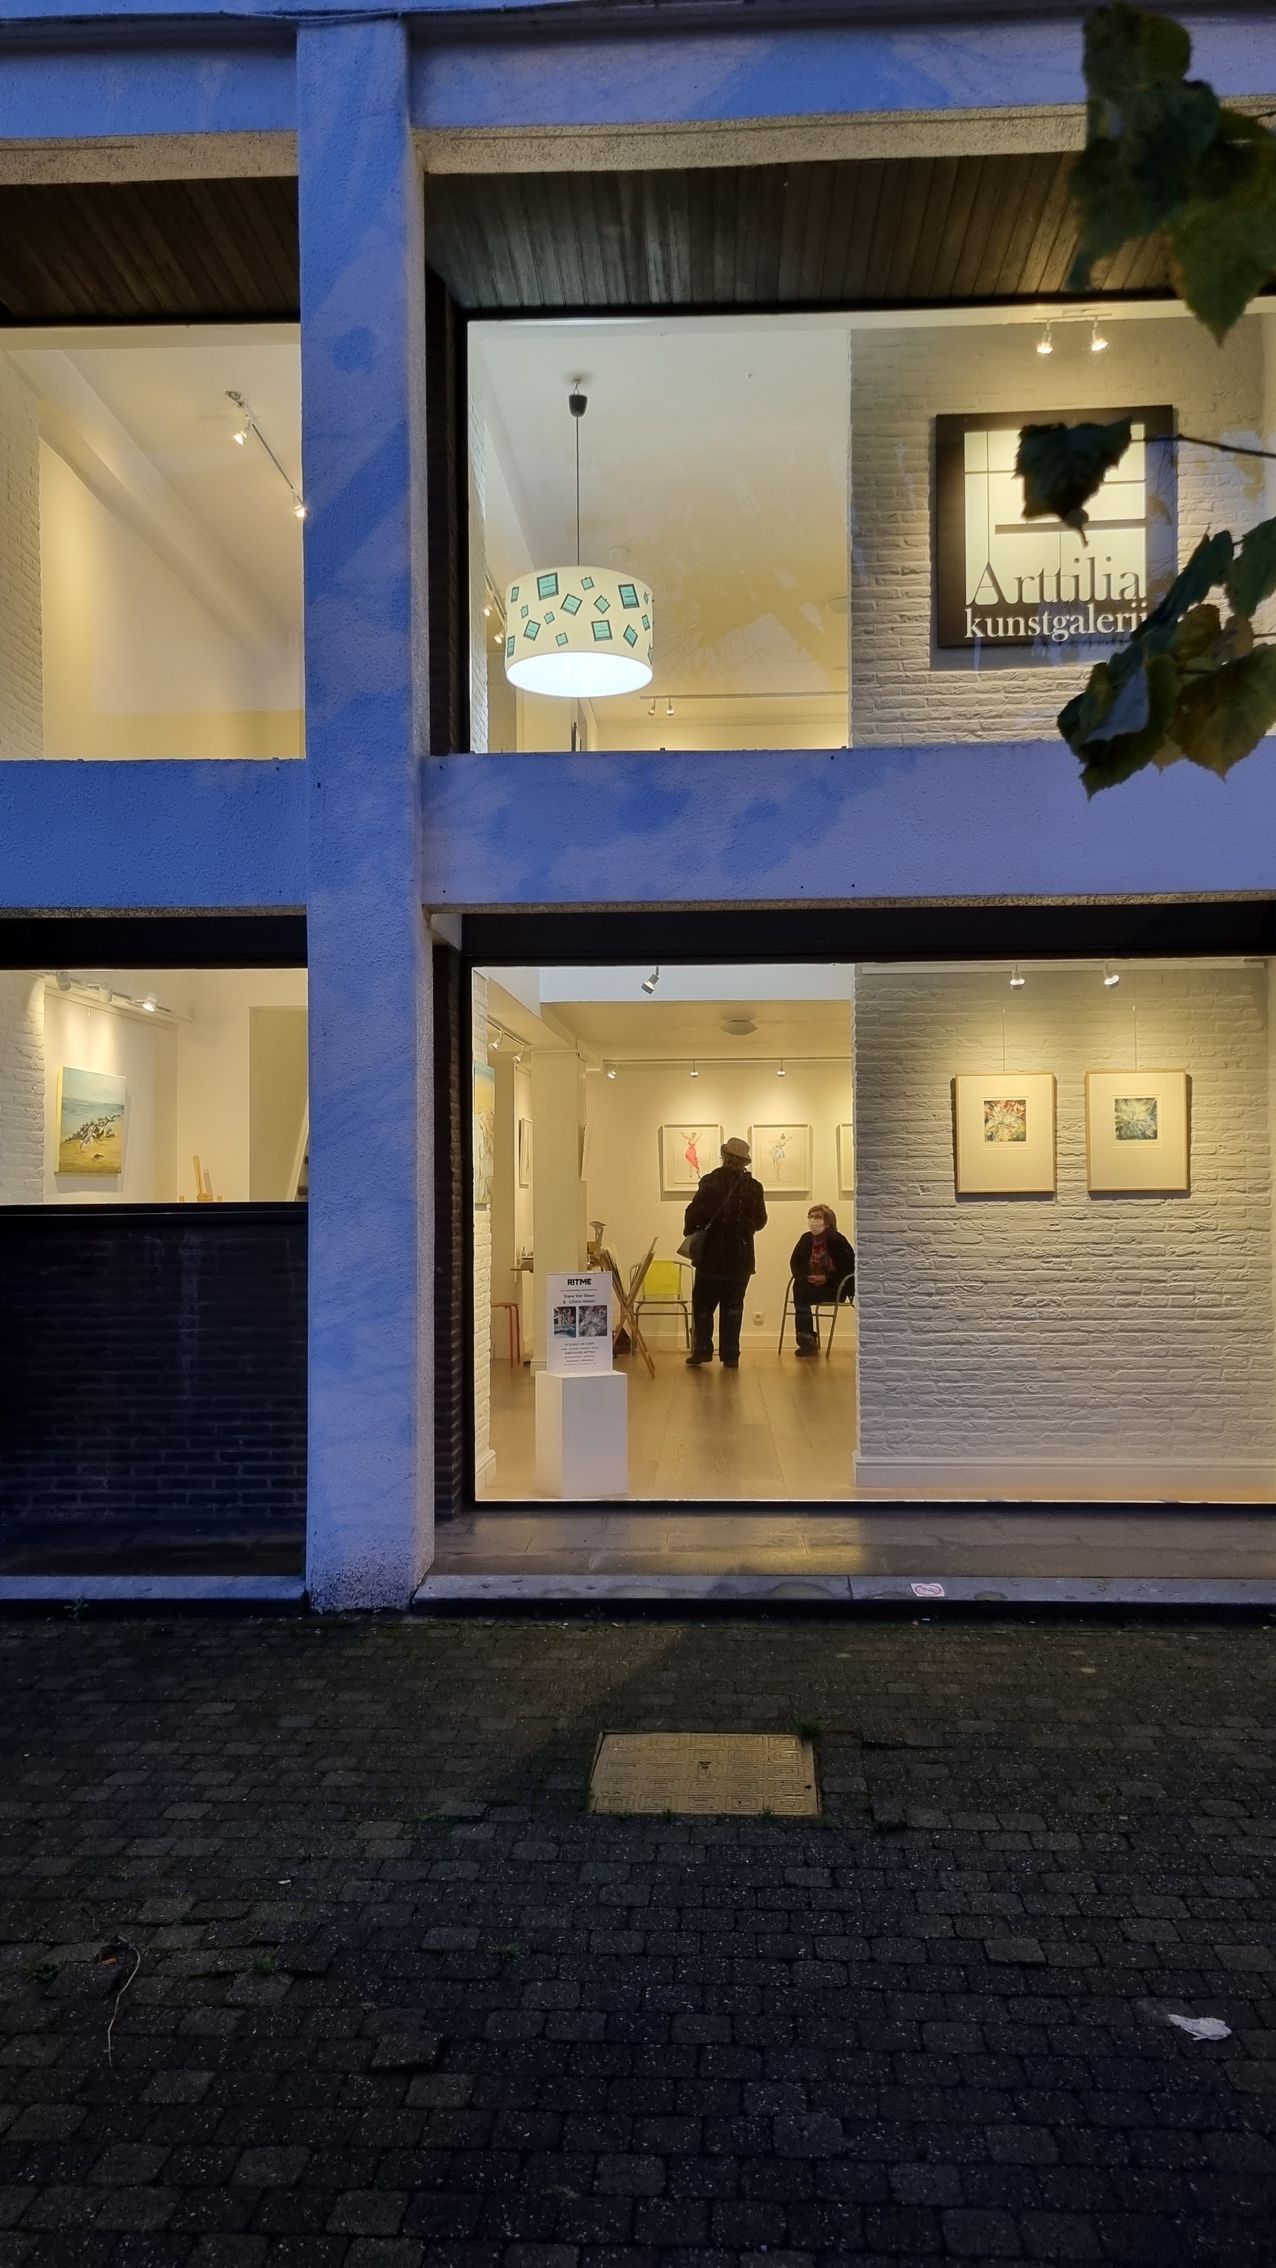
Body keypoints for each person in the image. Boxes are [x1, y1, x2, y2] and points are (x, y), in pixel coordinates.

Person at [682, 1135, 767, 1369]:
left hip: (710, 1256)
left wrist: (692, 1230)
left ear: (724, 1156)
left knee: (704, 1306)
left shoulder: (710, 1182)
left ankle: (702, 1350)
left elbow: (694, 1214)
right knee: (733, 1307)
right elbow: (761, 1220)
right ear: (745, 1161)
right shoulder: (753, 1187)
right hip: (741, 1258)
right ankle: (731, 1355)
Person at [789, 1204, 855, 1357]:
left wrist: (827, 1278)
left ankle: (806, 1337)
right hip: (809, 1285)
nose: (813, 1220)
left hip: (833, 1287)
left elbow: (848, 1267)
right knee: (799, 1289)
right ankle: (806, 1337)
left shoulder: (837, 1240)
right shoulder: (805, 1238)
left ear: (828, 1222)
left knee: (801, 1295)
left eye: (818, 1217)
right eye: (811, 1216)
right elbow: (794, 1262)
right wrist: (805, 1278)